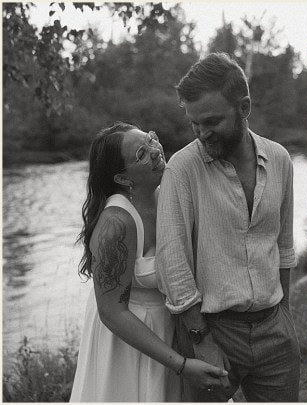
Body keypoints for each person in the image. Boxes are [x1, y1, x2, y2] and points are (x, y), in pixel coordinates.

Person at [155, 53, 300, 401]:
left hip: (274, 331)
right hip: (211, 330)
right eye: (194, 124)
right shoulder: (181, 169)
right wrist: (200, 339)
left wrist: (285, 317)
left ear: (244, 107)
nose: (202, 133)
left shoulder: (280, 159)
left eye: (212, 121)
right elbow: (174, 264)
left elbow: (283, 246)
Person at [70, 123, 228, 402]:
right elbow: (112, 313)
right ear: (122, 177)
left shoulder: (167, 191)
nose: (156, 151)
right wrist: (181, 364)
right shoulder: (116, 224)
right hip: (127, 341)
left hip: (171, 329)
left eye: (151, 139)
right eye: (142, 153)